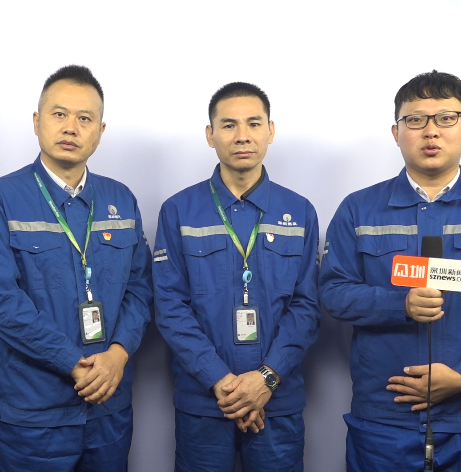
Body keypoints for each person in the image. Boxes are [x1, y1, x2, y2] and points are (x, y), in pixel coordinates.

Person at [318, 70, 461, 471]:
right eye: (415, 119)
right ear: (396, 132)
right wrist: (400, 304)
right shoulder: (358, 209)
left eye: (446, 118)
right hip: (382, 422)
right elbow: (333, 291)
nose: (431, 131)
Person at [0, 65, 153, 472]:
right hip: (33, 412)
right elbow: (1, 301)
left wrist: (118, 355)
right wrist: (73, 362)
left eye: (84, 118)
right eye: (59, 114)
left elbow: (140, 289)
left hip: (109, 405)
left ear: (100, 132)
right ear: (37, 122)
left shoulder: (121, 199)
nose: (71, 127)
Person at [153, 82, 321, 472]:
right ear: (210, 135)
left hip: (277, 400)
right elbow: (170, 307)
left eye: (253, 123)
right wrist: (222, 382)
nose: (242, 135)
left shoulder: (300, 211)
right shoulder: (178, 211)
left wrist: (266, 379)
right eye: (228, 125)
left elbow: (307, 306)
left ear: (270, 131)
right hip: (205, 402)